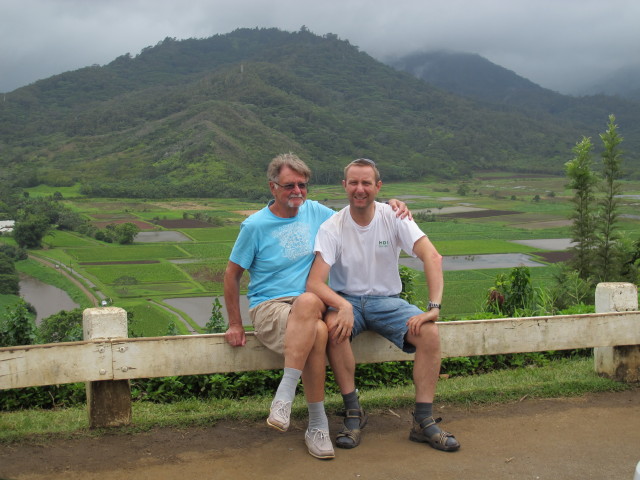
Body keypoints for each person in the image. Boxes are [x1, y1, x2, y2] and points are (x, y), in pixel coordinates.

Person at [224, 153, 410, 460]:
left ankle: (296, 408)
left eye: (302, 184)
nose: (297, 191)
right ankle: (314, 420)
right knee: (314, 311)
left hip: (310, 309)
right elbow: (232, 276)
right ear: (273, 187)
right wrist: (234, 323)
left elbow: (356, 211)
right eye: (288, 186)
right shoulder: (254, 226)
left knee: (318, 323)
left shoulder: (317, 213)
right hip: (272, 307)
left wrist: (393, 204)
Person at [306, 158, 460, 452]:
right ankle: (353, 412)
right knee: (333, 328)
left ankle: (423, 421)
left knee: (429, 333)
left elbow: (432, 257)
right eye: (353, 182)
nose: (359, 189)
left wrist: (433, 308)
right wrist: (343, 306)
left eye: (366, 183)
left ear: (378, 187)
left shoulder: (394, 216)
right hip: (346, 298)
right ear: (344, 186)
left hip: (387, 302)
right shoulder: (333, 226)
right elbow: (315, 282)